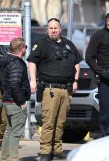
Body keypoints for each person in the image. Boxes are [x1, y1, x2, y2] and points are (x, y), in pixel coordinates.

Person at [27, 18, 83, 161]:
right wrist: (33, 81)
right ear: (47, 29)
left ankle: (57, 150)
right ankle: (45, 152)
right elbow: (32, 62)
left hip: (66, 90)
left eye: (55, 28)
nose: (53, 30)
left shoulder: (68, 45)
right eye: (51, 28)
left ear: (60, 29)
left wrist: (76, 81)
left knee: (61, 122)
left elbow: (77, 64)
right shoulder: (42, 44)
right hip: (50, 90)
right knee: (49, 122)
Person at [0, 38, 30, 161]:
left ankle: (5, 157)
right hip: (15, 102)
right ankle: (12, 158)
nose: (26, 50)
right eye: (25, 47)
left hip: (7, 100)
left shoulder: (6, 61)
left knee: (9, 131)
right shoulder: (17, 63)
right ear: (22, 48)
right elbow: (15, 84)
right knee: (15, 132)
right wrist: (21, 101)